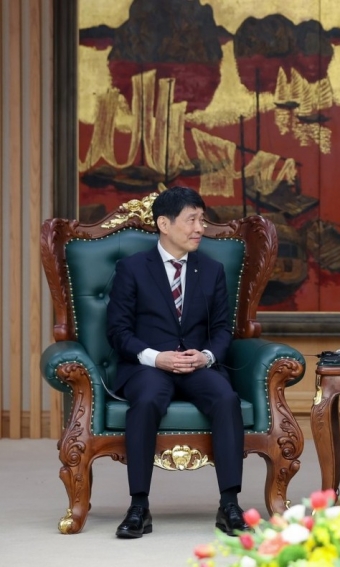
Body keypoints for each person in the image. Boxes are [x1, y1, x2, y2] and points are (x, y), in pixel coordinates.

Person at [107, 186, 249, 539]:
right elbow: (118, 331)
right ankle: (139, 506)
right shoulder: (132, 268)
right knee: (146, 400)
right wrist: (157, 358)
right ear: (164, 224)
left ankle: (229, 504)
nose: (200, 228)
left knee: (226, 399)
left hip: (197, 364)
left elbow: (222, 329)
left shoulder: (212, 270)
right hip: (149, 366)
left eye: (202, 220)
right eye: (192, 220)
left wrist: (207, 356)